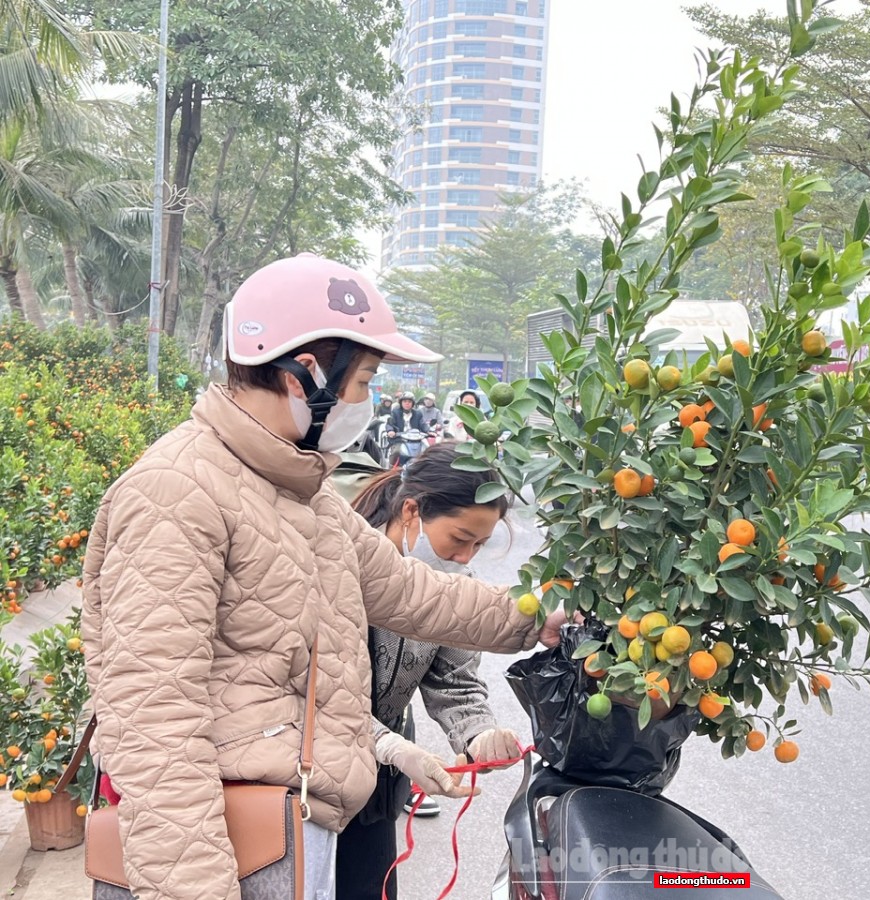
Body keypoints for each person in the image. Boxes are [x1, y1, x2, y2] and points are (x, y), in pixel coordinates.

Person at [80, 253, 564, 900]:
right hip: (217, 852)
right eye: (364, 380)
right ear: (305, 373)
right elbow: (154, 721)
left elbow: (417, 594)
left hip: (296, 828)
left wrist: (544, 615)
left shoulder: (309, 500)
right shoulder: (176, 491)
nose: (369, 401)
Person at [336, 442, 523, 900]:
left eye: (479, 545)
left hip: (377, 785)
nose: (465, 558)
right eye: (459, 539)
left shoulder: (456, 586)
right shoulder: (336, 565)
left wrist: (476, 732)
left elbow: (454, 680)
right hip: (312, 770)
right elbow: (310, 692)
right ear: (411, 510)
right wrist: (390, 747)